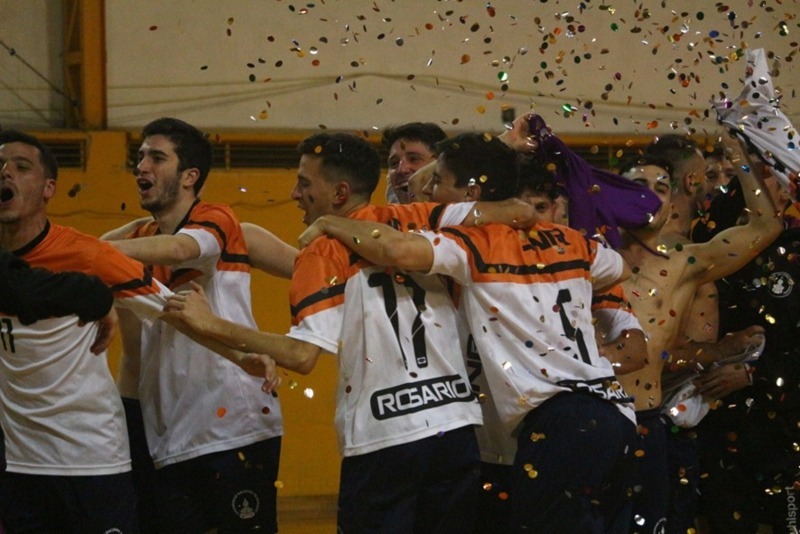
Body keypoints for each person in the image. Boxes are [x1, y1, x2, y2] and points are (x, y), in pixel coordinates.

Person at [164, 131, 541, 532]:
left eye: (304, 183)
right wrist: (501, 143)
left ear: (340, 193)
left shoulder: (323, 250)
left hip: (385, 436)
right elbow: (517, 211)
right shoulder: (415, 219)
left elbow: (300, 356)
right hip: (455, 429)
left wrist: (210, 323)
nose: (294, 194)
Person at [107, 117, 283, 533]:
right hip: (170, 435)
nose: (141, 167)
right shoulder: (140, 238)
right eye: (140, 157)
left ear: (190, 176)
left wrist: (95, 253)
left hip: (233, 428)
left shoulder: (215, 218)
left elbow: (180, 248)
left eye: (157, 158)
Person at [0, 129, 174, 532]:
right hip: (20, 463)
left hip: (90, 458)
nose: (5, 172)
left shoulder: (87, 254)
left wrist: (242, 353)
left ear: (49, 188)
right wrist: (92, 296)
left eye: (21, 167)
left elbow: (173, 310)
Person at [614, 134, 782, 533]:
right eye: (639, 186)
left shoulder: (685, 262)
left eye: (660, 188)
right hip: (591, 421)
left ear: (671, 200)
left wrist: (739, 156)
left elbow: (765, 225)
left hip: (647, 419)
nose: (650, 195)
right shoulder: (585, 255)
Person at [691, 162, 800, 533]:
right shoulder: (715, 249)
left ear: (785, 187)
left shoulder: (796, 251)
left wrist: (758, 373)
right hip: (717, 421)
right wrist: (743, 164)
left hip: (785, 426)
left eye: (764, 170)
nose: (749, 178)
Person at [383, 122, 446, 203]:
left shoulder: (459, 210)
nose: (402, 170)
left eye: (414, 159)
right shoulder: (381, 211)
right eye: (394, 163)